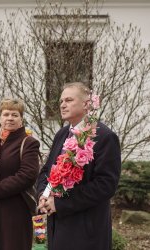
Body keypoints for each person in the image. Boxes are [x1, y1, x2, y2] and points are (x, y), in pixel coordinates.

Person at [37, 82, 121, 250]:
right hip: (58, 225)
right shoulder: (62, 134)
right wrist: (44, 195)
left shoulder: (104, 136)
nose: (62, 104)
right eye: (61, 101)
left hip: (86, 228)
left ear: (86, 104)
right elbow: (48, 171)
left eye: (69, 100)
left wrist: (60, 204)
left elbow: (106, 185)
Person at [0, 98, 40, 250]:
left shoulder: (28, 143)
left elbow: (27, 175)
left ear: (21, 119)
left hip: (14, 211)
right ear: (0, 117)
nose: (10, 118)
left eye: (14, 115)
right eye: (6, 114)